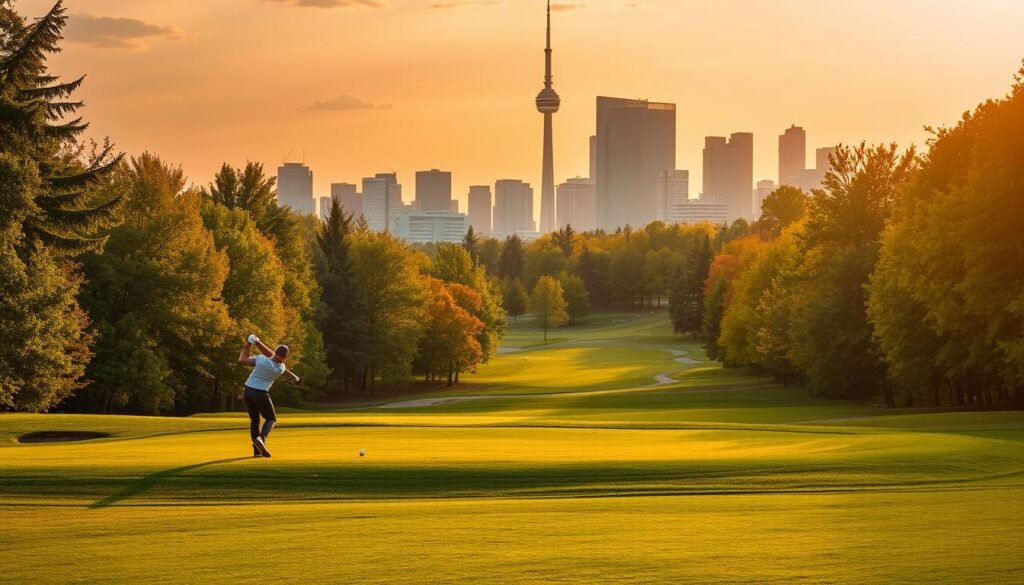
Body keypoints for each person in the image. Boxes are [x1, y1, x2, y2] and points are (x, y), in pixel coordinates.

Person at [238, 335, 289, 457]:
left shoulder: (260, 359)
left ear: (275, 352)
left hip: (248, 391)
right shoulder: (281, 368)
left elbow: (242, 360)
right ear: (285, 357)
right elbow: (269, 353)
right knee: (271, 419)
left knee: (255, 421)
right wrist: (258, 343)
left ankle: (257, 451)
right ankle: (261, 438)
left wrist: (249, 345)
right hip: (261, 393)